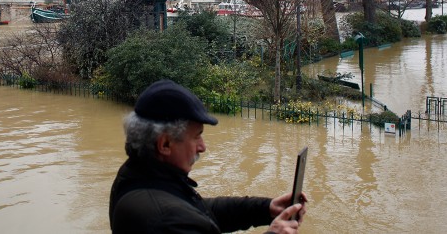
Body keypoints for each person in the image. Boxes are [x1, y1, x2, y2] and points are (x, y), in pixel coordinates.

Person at [109, 79, 307, 234]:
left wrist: (266, 209)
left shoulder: (139, 174)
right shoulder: (166, 220)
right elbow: (189, 218)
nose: (203, 147)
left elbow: (200, 209)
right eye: (197, 137)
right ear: (165, 144)